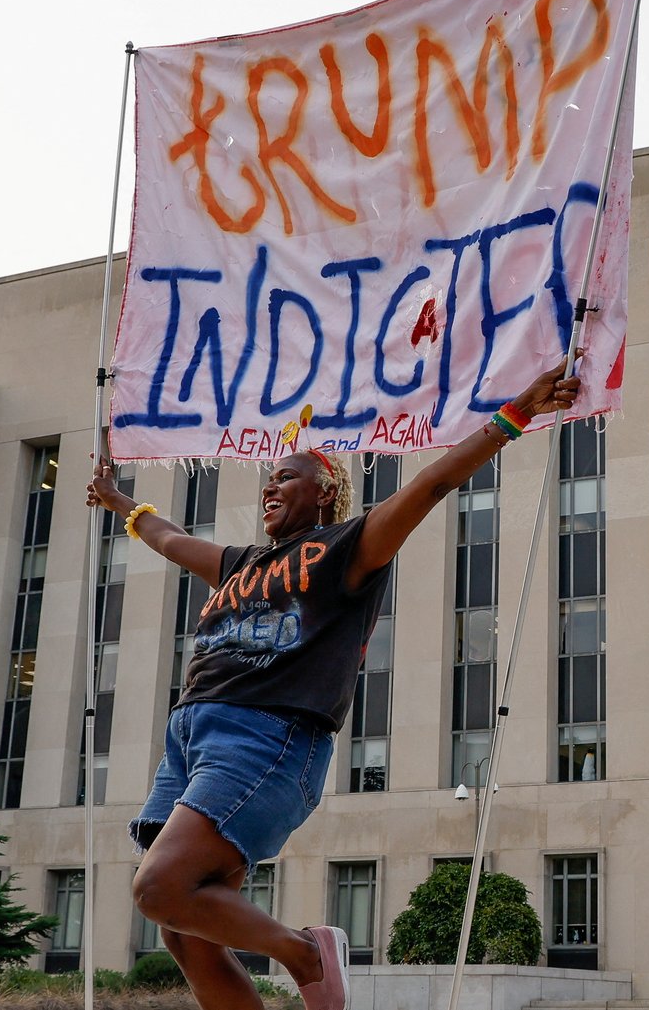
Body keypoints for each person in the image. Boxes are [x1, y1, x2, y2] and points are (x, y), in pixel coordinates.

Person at [88, 358, 584, 1010]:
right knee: (184, 932)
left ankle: (305, 952)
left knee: (160, 888)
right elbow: (173, 539)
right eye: (268, 480)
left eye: (285, 478)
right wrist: (122, 502)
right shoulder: (241, 563)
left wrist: (513, 414)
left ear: (324, 490)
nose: (270, 489)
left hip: (265, 738)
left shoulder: (344, 549)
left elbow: (432, 485)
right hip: (189, 743)